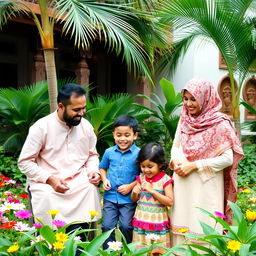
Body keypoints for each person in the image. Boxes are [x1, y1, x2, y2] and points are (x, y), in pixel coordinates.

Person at [18, 83, 101, 239]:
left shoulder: (86, 126)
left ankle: (81, 246)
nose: (82, 113)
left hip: (78, 183)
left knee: (89, 189)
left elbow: (92, 155)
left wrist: (93, 171)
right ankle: (50, 246)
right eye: (76, 110)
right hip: (48, 184)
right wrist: (50, 179)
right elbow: (25, 162)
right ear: (61, 106)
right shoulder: (41, 127)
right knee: (46, 196)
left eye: (83, 108)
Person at [170, 78, 244, 246]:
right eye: (186, 98)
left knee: (204, 224)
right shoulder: (184, 119)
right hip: (183, 181)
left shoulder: (221, 123)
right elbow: (176, 145)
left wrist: (194, 165)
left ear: (205, 97)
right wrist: (174, 161)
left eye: (193, 99)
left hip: (206, 184)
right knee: (182, 223)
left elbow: (227, 159)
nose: (188, 104)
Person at [100, 114, 140, 249]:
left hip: (128, 200)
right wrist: (104, 179)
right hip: (110, 197)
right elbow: (102, 168)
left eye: (127, 135)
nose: (122, 139)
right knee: (107, 226)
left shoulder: (139, 154)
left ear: (135, 135)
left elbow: (143, 175)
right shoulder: (109, 152)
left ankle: (127, 250)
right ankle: (108, 251)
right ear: (114, 135)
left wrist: (130, 186)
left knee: (126, 226)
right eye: (119, 135)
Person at [131, 142, 174, 251]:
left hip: (157, 224)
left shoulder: (165, 180)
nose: (146, 170)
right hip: (141, 222)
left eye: (150, 166)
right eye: (143, 166)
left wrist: (153, 191)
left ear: (160, 164)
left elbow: (170, 202)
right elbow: (134, 199)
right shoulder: (141, 178)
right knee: (141, 250)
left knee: (157, 250)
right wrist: (134, 193)